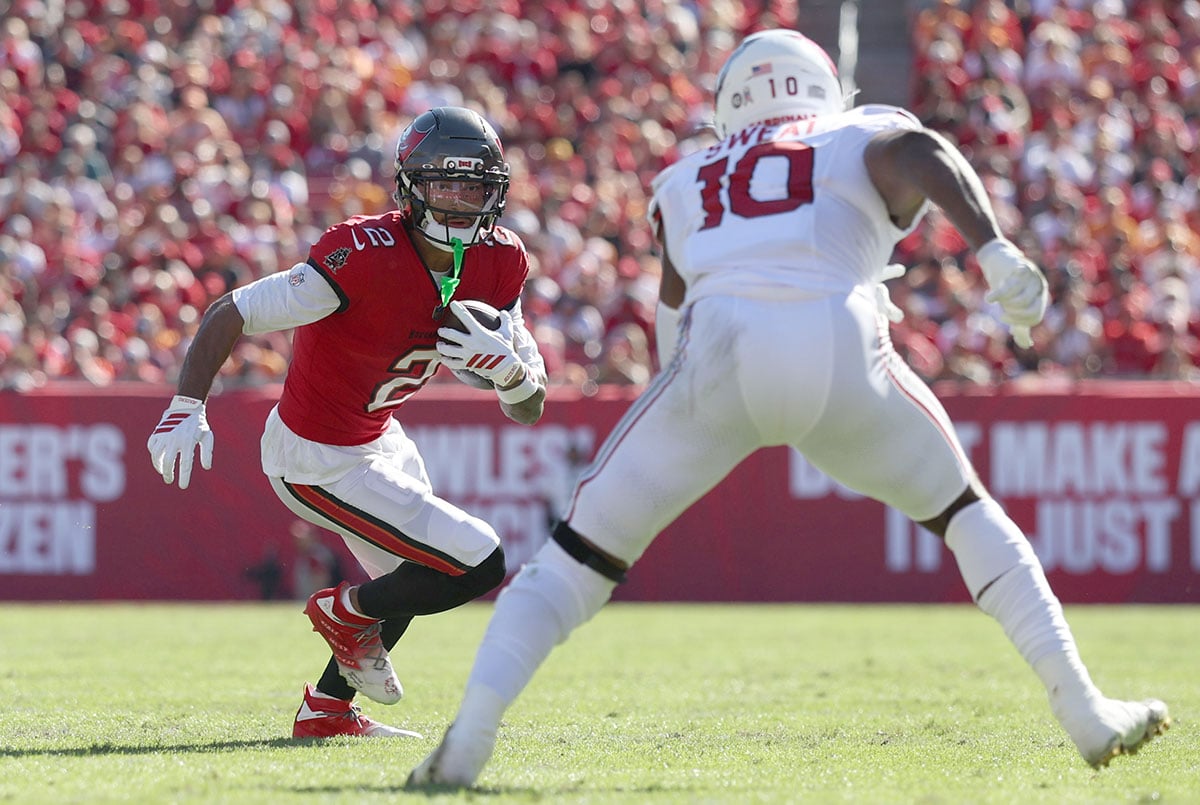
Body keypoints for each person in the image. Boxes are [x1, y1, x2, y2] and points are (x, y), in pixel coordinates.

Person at [407, 31, 1169, 786]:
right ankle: (1083, 708)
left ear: (729, 105)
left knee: (574, 557)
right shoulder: (853, 130)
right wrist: (995, 250)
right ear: (823, 88)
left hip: (717, 353)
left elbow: (672, 325)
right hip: (837, 343)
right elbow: (921, 154)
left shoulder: (684, 176)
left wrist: (686, 413)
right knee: (967, 513)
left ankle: (471, 734)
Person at [147, 106, 548, 739]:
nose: (460, 202)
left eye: (474, 187)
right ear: (409, 186)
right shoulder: (359, 255)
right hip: (313, 453)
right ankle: (345, 610)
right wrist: (186, 405)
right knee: (479, 562)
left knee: (413, 575)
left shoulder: (500, 261)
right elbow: (232, 309)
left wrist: (514, 377)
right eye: (444, 184)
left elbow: (530, 409)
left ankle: (326, 714)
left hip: (377, 435)